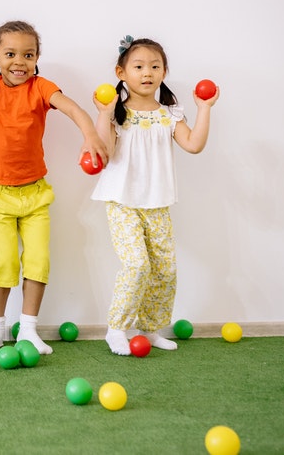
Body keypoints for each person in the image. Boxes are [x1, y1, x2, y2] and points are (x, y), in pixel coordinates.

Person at [0, 21, 108, 355]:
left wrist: (90, 135)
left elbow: (72, 108)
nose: (20, 62)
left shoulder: (41, 88)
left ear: (37, 58)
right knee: (4, 263)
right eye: (10, 54)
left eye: (28, 55)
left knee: (38, 260)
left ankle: (28, 330)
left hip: (35, 194)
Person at [91, 37, 218, 356]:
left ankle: (149, 328)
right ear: (121, 72)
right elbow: (105, 151)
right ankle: (116, 328)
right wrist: (104, 113)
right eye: (138, 66)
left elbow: (194, 144)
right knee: (136, 265)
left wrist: (204, 108)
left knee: (164, 269)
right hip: (122, 201)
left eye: (154, 66)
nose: (147, 72)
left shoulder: (170, 114)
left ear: (164, 71)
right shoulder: (118, 113)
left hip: (157, 203)